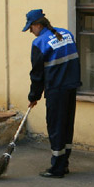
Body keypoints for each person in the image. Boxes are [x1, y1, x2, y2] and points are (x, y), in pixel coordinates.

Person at [22, 9, 82, 178]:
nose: (30, 33)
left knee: (56, 127)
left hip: (56, 90)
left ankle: (57, 168)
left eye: (30, 28)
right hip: (71, 87)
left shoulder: (40, 43)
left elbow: (37, 74)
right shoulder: (66, 34)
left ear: (38, 25)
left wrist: (34, 96)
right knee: (67, 125)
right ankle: (64, 164)